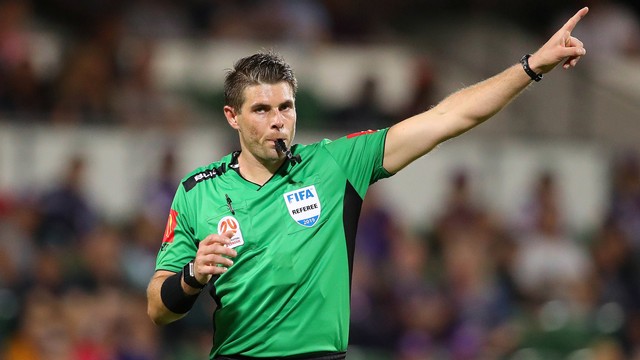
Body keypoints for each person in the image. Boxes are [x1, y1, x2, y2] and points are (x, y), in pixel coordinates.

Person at [146, 7, 590, 359]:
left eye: (286, 107)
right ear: (232, 117)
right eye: (262, 110)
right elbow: (157, 309)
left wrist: (532, 65)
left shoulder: (336, 165)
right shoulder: (197, 190)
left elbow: (447, 118)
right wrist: (191, 276)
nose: (278, 121)